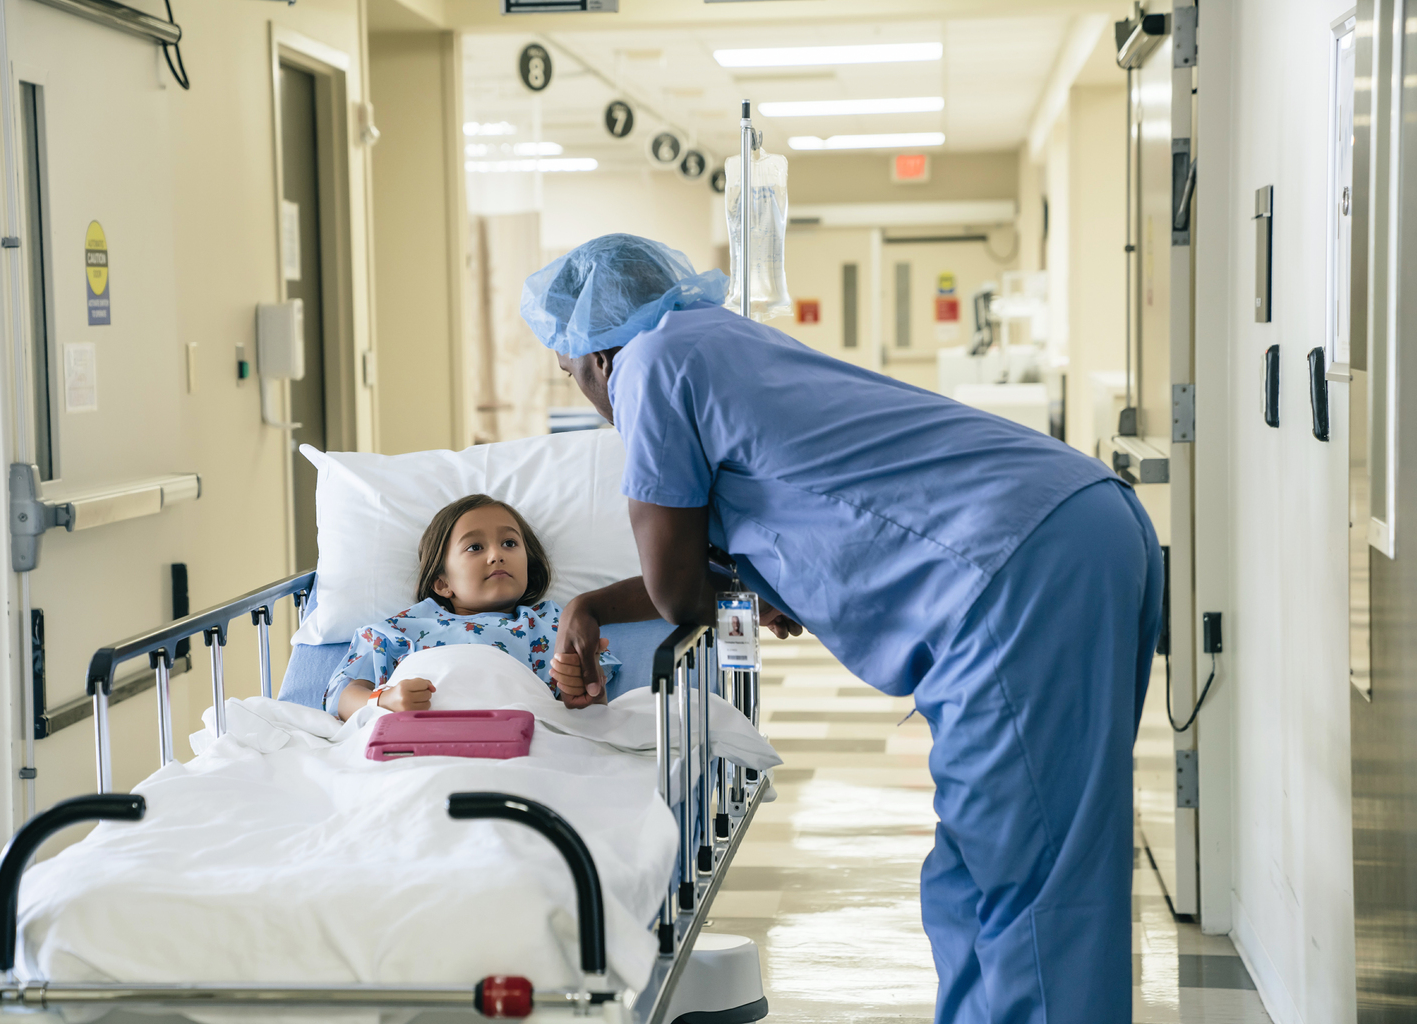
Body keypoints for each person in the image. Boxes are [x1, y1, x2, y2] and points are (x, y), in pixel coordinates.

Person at [527, 233, 1164, 1023]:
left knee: (1031, 880)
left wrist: (725, 593)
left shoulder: (648, 369)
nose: (589, 395)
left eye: (570, 371)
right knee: (979, 868)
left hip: (1011, 569)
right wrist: (600, 606)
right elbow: (783, 507)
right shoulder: (718, 338)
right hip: (1075, 524)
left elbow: (676, 586)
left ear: (595, 354)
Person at [323, 494, 619, 719]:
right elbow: (341, 699)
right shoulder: (398, 631)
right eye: (475, 547)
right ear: (442, 583)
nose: (496, 555)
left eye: (510, 544)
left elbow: (588, 711)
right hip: (420, 741)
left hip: (521, 737)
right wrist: (384, 701)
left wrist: (584, 682)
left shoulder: (552, 624)